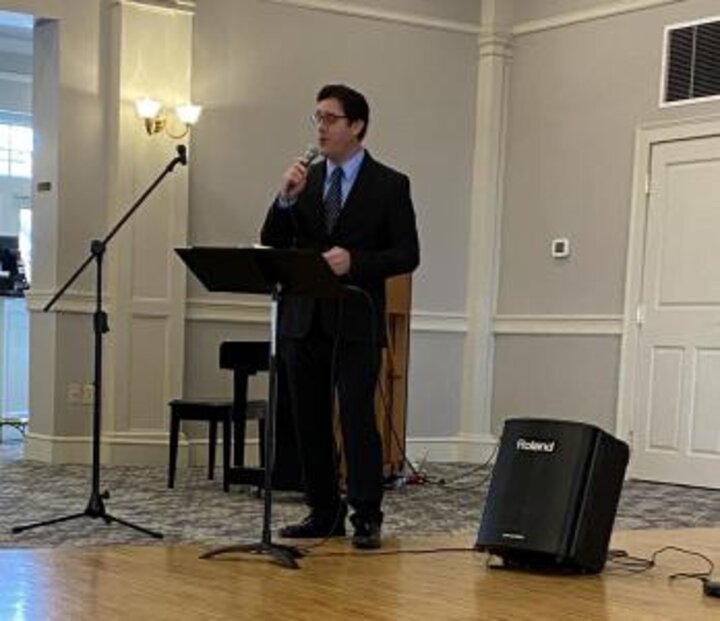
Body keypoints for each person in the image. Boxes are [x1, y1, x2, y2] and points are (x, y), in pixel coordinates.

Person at [260, 84, 420, 549]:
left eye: (330, 118)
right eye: (318, 119)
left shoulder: (390, 184)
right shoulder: (304, 180)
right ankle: (323, 511)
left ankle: (366, 513)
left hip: (355, 321)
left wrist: (356, 261)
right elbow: (272, 240)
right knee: (308, 419)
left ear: (357, 125)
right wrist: (285, 199)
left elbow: (407, 253)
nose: (322, 128)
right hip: (304, 319)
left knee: (355, 417)